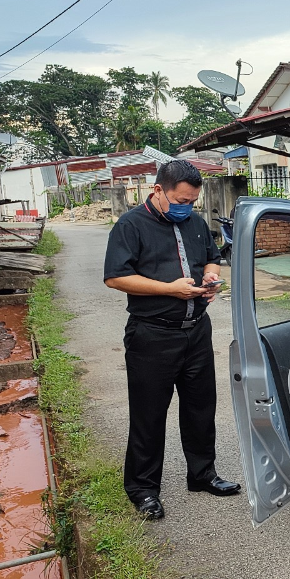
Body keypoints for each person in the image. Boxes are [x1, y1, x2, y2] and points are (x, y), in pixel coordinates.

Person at [104, 160, 241, 521]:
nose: (187, 207)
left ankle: (203, 474)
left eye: (192, 202)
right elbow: (116, 277)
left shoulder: (195, 223)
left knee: (200, 407)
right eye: (181, 201)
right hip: (152, 334)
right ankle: (143, 490)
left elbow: (212, 258)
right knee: (149, 415)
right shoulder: (130, 225)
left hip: (196, 331)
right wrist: (169, 289)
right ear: (158, 191)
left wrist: (210, 278)